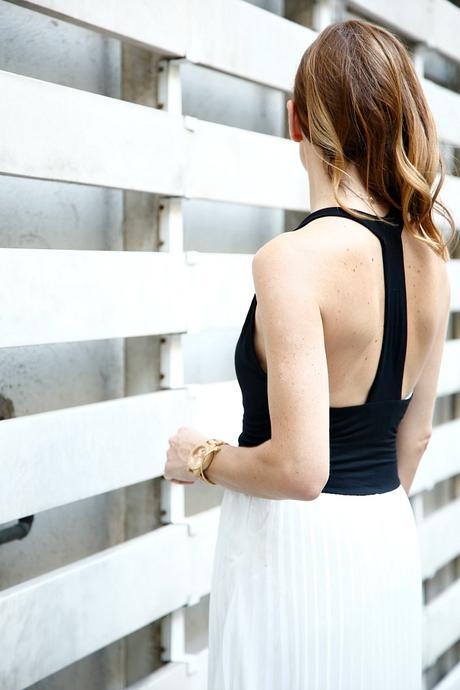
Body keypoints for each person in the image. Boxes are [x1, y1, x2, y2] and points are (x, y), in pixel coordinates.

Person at [163, 18, 456, 690]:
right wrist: (360, 525)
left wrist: (201, 459)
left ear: (297, 121)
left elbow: (300, 470)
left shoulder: (290, 261)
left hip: (290, 550)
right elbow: (413, 440)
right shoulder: (430, 258)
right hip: (383, 540)